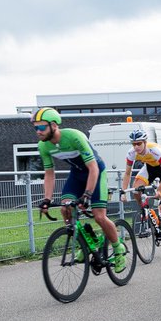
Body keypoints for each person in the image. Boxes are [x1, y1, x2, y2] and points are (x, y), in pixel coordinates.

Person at [33, 107, 128, 272]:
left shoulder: (73, 137)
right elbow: (49, 174)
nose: (38, 131)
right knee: (65, 208)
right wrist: (47, 199)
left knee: (99, 216)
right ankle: (85, 243)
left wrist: (87, 194)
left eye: (41, 127)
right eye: (35, 128)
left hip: (96, 172)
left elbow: (93, 168)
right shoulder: (43, 146)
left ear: (54, 125)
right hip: (77, 176)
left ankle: (118, 248)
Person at [122, 128, 161, 250]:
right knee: (135, 189)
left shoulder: (154, 150)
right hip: (149, 168)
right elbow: (127, 173)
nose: (136, 147)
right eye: (134, 144)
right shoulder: (131, 153)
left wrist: (159, 189)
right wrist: (123, 191)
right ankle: (144, 210)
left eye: (139, 143)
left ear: (145, 142)